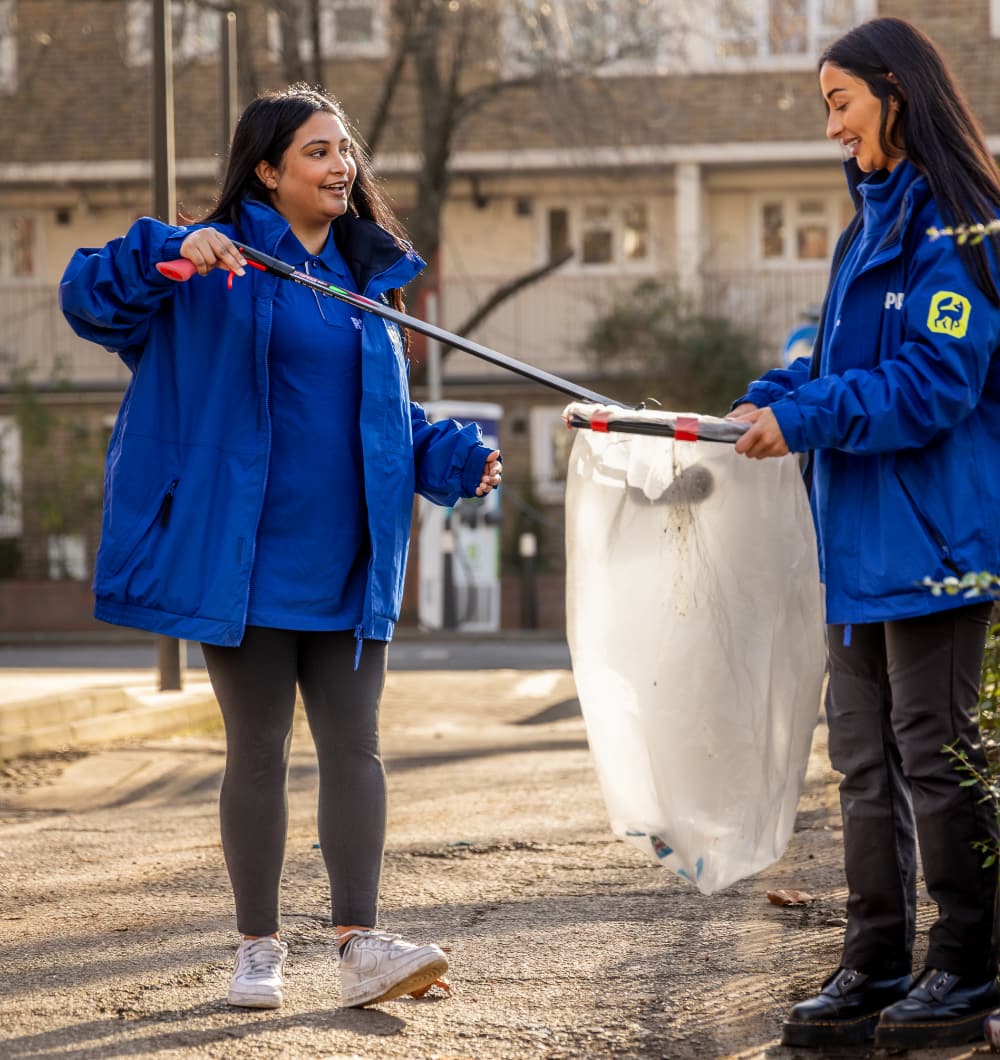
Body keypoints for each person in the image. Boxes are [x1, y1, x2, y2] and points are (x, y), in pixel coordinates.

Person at [59, 85, 502, 1011]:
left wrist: (448, 456)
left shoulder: (367, 283)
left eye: (346, 151)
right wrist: (167, 249)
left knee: (357, 748)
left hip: (349, 556)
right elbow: (86, 297)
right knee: (256, 751)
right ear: (267, 170)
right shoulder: (209, 267)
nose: (342, 165)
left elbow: (380, 416)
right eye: (317, 152)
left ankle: (362, 944)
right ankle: (257, 950)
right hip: (243, 557)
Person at [728, 17, 1000, 1051]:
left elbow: (933, 384)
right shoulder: (864, 229)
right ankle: (875, 962)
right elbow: (839, 361)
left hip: (934, 544)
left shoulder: (959, 226)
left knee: (935, 759)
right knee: (863, 767)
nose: (831, 126)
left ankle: (966, 968)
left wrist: (804, 415)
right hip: (853, 545)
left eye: (838, 101)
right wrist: (768, 397)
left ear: (896, 92)